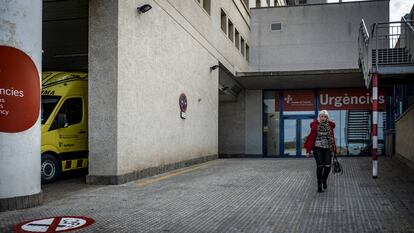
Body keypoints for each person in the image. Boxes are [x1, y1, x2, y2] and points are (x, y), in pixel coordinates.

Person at [304, 110, 337, 193]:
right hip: (317, 148)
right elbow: (311, 138)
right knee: (320, 166)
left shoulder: (330, 126)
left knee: (328, 166)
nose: (323, 118)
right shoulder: (315, 125)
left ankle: (324, 180)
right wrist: (308, 150)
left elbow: (332, 138)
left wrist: (334, 151)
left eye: (325, 116)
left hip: (327, 148)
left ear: (327, 118)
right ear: (319, 117)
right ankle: (319, 184)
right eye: (321, 116)